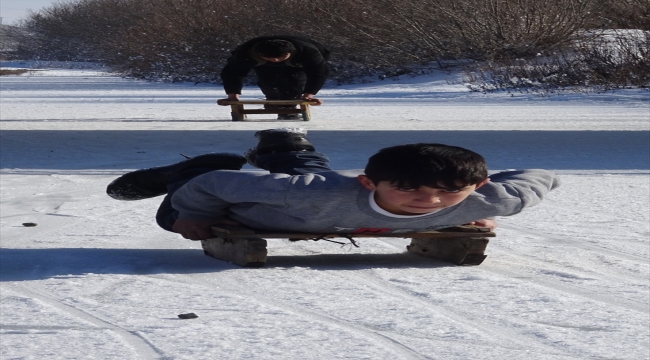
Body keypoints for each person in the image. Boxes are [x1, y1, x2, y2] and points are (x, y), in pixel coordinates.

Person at [106, 128, 560, 240]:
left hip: (314, 186)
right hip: (238, 199)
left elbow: (543, 175)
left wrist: (477, 201)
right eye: (409, 190)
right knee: (177, 213)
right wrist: (194, 214)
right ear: (370, 182)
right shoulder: (306, 193)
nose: (431, 201)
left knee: (308, 173)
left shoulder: (491, 197)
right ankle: (180, 170)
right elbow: (216, 186)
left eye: (449, 194)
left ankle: (287, 146)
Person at [217, 35, 330, 120]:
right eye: (271, 58)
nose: (275, 60)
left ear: (290, 53)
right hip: (263, 64)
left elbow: (318, 73)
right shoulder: (245, 52)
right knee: (268, 82)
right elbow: (232, 72)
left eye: (280, 57)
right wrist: (232, 96)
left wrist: (309, 95)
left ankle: (288, 111)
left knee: (293, 82)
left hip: (297, 63)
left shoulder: (309, 52)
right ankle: (272, 102)